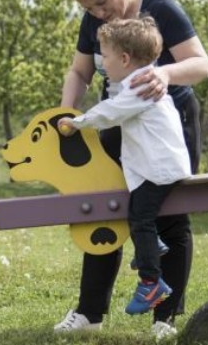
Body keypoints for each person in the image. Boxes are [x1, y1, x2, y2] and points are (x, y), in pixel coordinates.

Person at [54, 0, 208, 339]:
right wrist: (64, 115)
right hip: (118, 124)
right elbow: (80, 72)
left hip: (167, 127)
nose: (97, 13)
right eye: (87, 8)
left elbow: (200, 63)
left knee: (169, 216)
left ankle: (165, 319)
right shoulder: (93, 21)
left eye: (101, 2)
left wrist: (166, 74)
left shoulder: (161, 10)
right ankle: (90, 313)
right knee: (102, 212)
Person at [58, 17, 192, 316]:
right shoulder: (140, 82)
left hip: (159, 169)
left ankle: (151, 282)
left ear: (124, 59)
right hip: (160, 166)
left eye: (105, 56)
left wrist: (76, 122)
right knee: (139, 216)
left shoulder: (138, 87)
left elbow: (111, 112)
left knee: (140, 218)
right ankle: (150, 247)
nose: (102, 63)